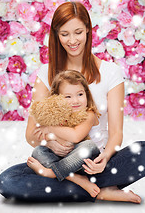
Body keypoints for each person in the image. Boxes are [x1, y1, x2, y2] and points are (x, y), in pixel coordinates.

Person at [0, 1, 145, 203]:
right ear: (56, 35)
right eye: (65, 34)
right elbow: (31, 134)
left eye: (78, 32)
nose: (72, 40)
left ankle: (80, 184)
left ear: (88, 31)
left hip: (96, 160)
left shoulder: (111, 72)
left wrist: (105, 159)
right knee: (7, 181)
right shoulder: (46, 74)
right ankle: (97, 188)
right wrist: (49, 141)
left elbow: (117, 132)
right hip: (58, 161)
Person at [27, 70, 101, 198]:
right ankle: (74, 178)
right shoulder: (58, 117)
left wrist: (50, 128)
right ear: (57, 99)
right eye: (68, 97)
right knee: (38, 151)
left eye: (80, 94)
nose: (75, 101)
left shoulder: (89, 114)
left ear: (86, 94)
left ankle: (51, 173)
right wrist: (50, 139)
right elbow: (41, 136)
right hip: (65, 162)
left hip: (86, 163)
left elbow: (76, 136)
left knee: (88, 146)